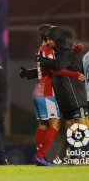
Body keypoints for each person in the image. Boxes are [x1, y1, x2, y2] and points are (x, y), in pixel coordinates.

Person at [34, 25, 88, 164]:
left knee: (81, 126)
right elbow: (55, 65)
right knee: (70, 127)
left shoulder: (61, 53)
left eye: (51, 39)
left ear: (57, 39)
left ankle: (85, 156)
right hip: (64, 97)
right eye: (47, 39)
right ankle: (75, 157)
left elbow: (57, 66)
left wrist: (42, 60)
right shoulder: (55, 52)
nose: (49, 42)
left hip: (74, 95)